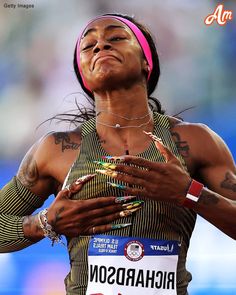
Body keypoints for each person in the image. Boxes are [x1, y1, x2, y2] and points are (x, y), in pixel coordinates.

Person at [0, 12, 235, 295]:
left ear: (147, 61)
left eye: (116, 38)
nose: (101, 46)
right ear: (83, 74)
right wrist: (44, 223)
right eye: (89, 46)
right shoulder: (56, 150)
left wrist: (188, 192)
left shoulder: (196, 141)